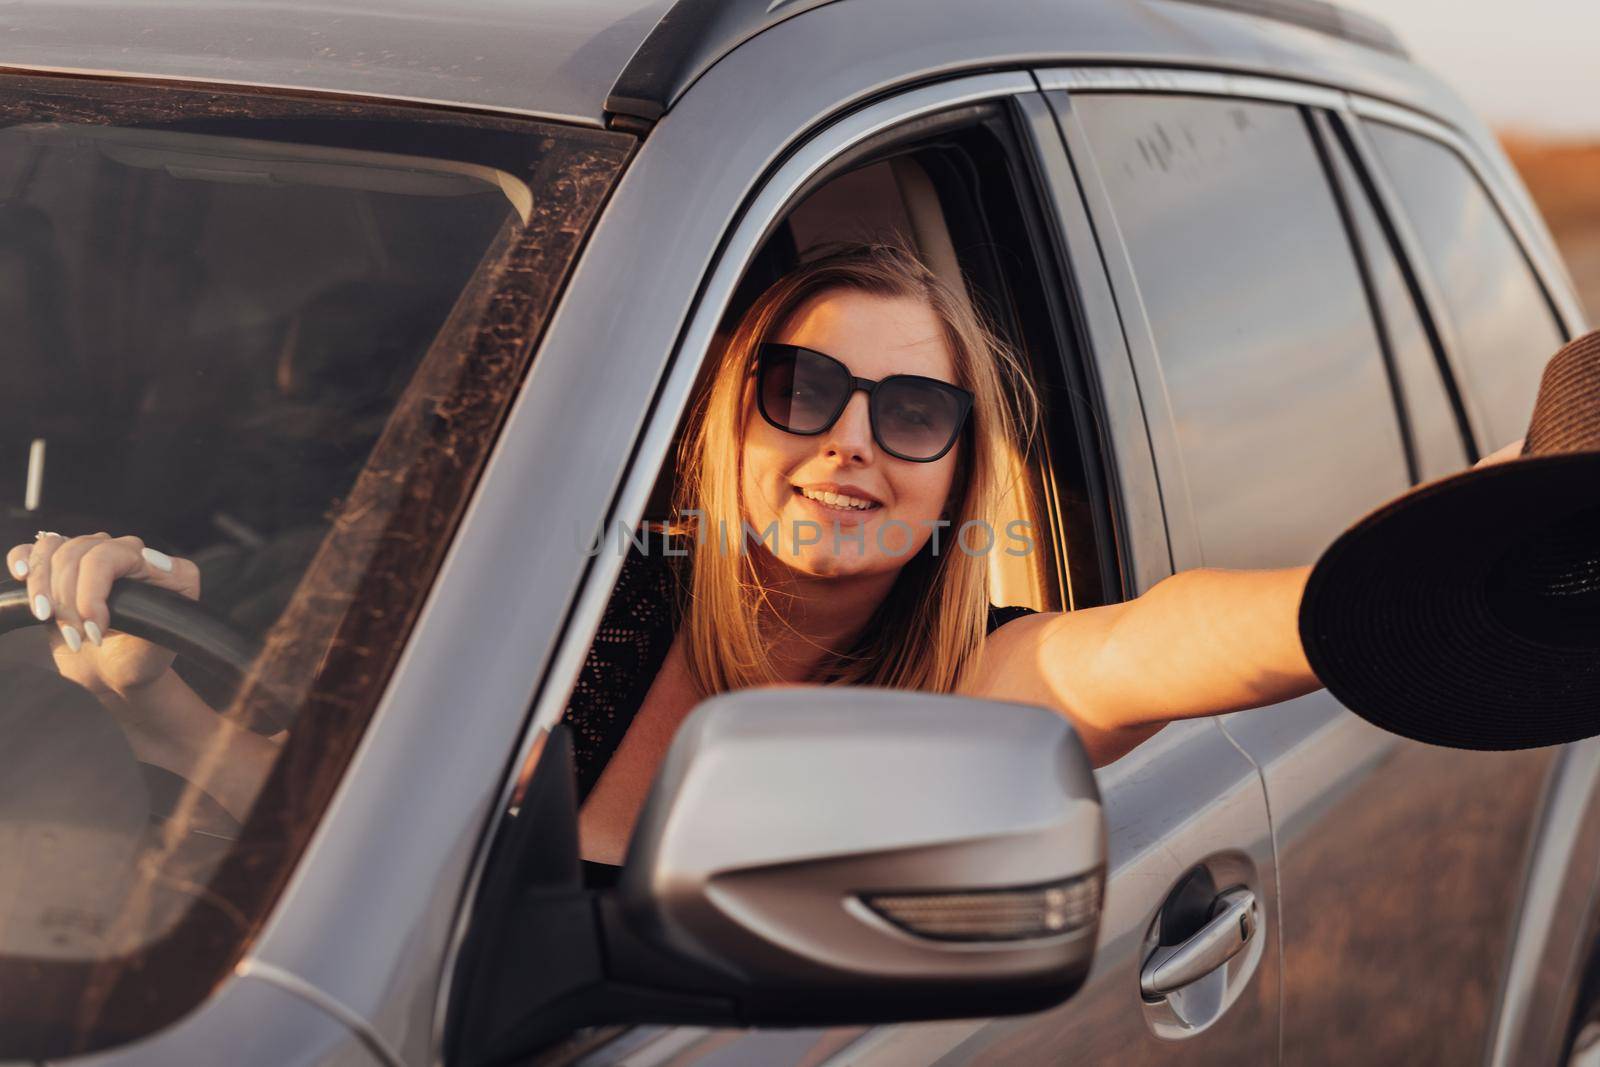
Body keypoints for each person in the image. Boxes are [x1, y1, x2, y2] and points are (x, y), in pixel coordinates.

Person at [5, 241, 1524, 868]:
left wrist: (1509, 535)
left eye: (915, 411)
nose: (850, 441)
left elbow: (1169, 638)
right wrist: (154, 702)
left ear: (958, 478)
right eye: (801, 390)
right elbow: (358, 898)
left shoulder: (978, 678)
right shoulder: (544, 603)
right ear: (714, 430)